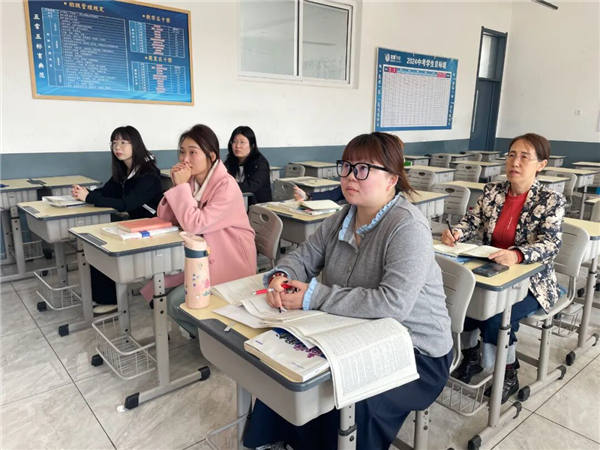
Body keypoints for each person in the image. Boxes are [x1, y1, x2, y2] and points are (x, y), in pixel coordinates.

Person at [243, 132, 453, 450]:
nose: (351, 176)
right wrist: (282, 275)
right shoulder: (343, 216)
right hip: (358, 332)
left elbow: (393, 303)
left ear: (392, 179)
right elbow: (305, 256)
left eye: (364, 168)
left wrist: (314, 296)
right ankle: (277, 441)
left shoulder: (407, 227)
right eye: (347, 166)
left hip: (415, 352)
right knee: (289, 368)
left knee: (354, 399)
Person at [442, 133, 565, 403]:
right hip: (491, 271)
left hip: (533, 280)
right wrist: (457, 233)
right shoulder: (493, 191)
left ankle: (508, 371)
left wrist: (518, 254)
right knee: (463, 303)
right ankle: (470, 356)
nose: (515, 162)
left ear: (541, 164)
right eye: (511, 155)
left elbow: (551, 244)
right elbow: (472, 221)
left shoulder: (550, 200)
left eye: (524, 157)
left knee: (496, 318)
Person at [140, 124, 257, 337]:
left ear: (211, 156)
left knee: (175, 302)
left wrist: (181, 188)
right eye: (182, 152)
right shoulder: (193, 181)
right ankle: (206, 335)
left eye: (192, 152)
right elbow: (166, 217)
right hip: (204, 259)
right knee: (157, 289)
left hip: (230, 262)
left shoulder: (226, 186)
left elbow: (195, 224)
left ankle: (218, 341)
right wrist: (178, 187)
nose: (185, 159)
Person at [72, 125, 163, 314]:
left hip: (154, 227)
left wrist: (89, 198)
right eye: (114, 143)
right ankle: (104, 296)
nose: (117, 147)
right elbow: (107, 191)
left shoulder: (148, 174)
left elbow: (126, 204)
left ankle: (111, 299)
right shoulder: (124, 171)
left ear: (135, 145)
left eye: (123, 142)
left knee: (105, 248)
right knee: (98, 243)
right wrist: (86, 193)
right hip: (135, 225)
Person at [224, 125, 272, 206]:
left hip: (257, 206)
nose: (237, 146)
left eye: (242, 142)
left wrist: (228, 186)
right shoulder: (229, 162)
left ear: (252, 145)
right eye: (234, 141)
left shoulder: (260, 163)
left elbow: (252, 186)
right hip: (235, 203)